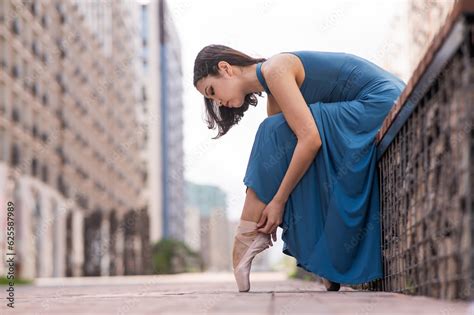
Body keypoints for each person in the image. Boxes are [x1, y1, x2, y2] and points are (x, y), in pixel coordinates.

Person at [193, 44, 406, 292]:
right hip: (368, 108)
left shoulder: (275, 69)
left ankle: (247, 233)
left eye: (212, 91)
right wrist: (275, 200)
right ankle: (326, 255)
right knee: (282, 145)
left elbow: (311, 139)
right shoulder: (273, 93)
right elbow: (290, 156)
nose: (217, 101)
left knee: (271, 131)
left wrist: (279, 201)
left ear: (225, 68)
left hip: (380, 102)